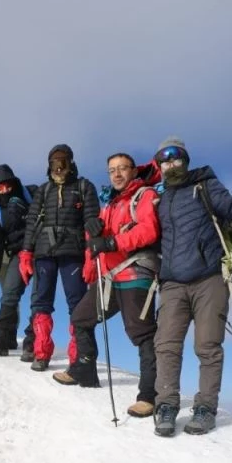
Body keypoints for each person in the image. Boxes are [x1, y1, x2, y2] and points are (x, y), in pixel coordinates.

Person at [152, 136, 232, 436]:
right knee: (166, 346)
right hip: (172, 283)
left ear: (185, 160)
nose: (170, 163)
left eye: (175, 156)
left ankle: (205, 408)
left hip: (208, 278)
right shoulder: (160, 199)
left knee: (207, 347)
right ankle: (166, 405)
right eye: (163, 160)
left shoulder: (205, 185)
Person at [54, 153, 160, 418]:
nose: (117, 174)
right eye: (112, 170)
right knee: (81, 318)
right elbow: (95, 242)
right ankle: (84, 370)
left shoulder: (144, 196)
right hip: (110, 276)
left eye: (122, 168)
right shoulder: (110, 203)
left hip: (135, 273)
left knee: (142, 334)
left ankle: (149, 395)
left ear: (134, 171)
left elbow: (149, 231)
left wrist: (111, 242)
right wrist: (94, 234)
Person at [19, 144, 101, 372]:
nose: (58, 165)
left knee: (78, 304)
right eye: (54, 161)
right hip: (44, 252)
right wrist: (26, 252)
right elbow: (32, 222)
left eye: (63, 160)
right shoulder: (43, 190)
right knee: (41, 303)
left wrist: (90, 255)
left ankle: (78, 355)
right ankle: (41, 352)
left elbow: (92, 221)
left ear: (71, 162)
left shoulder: (84, 187)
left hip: (73, 253)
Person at [0, 164, 38, 358]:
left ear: (14, 182)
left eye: (8, 185)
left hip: (43, 250)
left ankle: (33, 342)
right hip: (18, 254)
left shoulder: (33, 194)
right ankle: (2, 341)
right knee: (10, 294)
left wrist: (27, 212)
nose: (4, 191)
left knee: (39, 298)